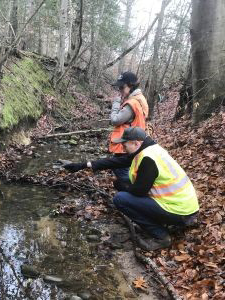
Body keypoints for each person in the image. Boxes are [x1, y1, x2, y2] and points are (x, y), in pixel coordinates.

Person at [61, 127, 199, 251]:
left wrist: (122, 186)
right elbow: (116, 162)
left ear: (136, 143)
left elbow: (139, 191)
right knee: (123, 187)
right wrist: (83, 165)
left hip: (179, 212)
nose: (122, 147)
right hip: (185, 208)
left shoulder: (147, 158)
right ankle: (163, 222)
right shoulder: (150, 148)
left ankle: (160, 236)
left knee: (120, 199)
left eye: (124, 144)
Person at [109, 72, 149, 182]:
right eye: (119, 88)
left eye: (122, 87)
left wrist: (116, 103)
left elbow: (115, 120)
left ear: (131, 86)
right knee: (128, 171)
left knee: (122, 172)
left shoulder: (132, 103)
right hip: (134, 143)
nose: (120, 90)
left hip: (125, 145)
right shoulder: (140, 99)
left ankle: (131, 195)